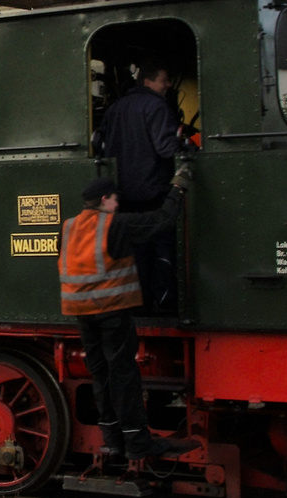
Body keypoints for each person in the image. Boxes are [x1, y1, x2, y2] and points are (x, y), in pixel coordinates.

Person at [59, 170, 192, 462]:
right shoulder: (114, 225)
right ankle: (138, 443)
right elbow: (162, 220)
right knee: (123, 376)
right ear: (104, 199)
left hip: (82, 315)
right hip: (112, 313)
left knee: (100, 375)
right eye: (116, 199)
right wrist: (178, 188)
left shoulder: (67, 227)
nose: (118, 204)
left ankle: (113, 441)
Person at [95, 59, 186, 311]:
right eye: (163, 80)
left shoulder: (115, 109)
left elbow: (100, 145)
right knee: (162, 252)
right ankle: (162, 303)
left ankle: (138, 304)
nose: (167, 85)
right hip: (153, 196)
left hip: (122, 198)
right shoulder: (157, 107)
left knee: (135, 256)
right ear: (148, 81)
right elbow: (167, 148)